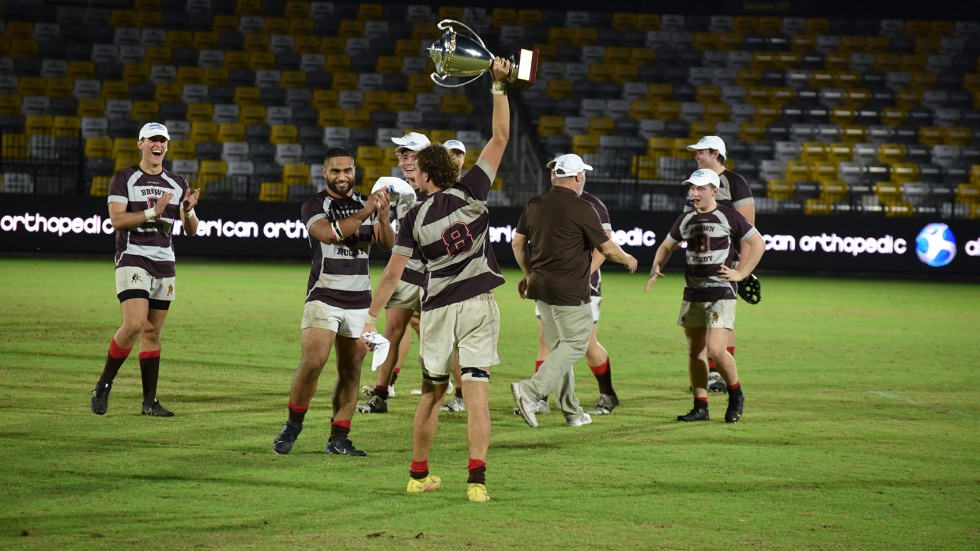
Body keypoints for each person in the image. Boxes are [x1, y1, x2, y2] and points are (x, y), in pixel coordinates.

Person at [362, 57, 513, 503]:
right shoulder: (473, 191)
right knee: (478, 390)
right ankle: (477, 482)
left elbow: (393, 273)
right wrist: (498, 87)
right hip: (478, 304)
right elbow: (500, 137)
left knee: (431, 392)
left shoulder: (412, 218)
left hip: (438, 309)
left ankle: (418, 474)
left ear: (425, 176)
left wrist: (370, 315)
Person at [271, 147, 394, 456]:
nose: (342, 176)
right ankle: (293, 425)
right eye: (336, 171)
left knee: (351, 371)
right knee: (313, 362)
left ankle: (339, 438)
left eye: (348, 170)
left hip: (359, 301)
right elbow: (327, 235)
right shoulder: (314, 204)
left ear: (355, 171)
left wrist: (383, 217)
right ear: (325, 173)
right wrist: (367, 212)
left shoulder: (367, 202)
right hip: (323, 297)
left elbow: (387, 244)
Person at [510, 154, 638, 429]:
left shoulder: (534, 203)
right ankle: (530, 391)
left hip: (541, 287)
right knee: (577, 345)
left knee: (558, 346)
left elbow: (518, 244)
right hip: (570, 289)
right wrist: (628, 259)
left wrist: (528, 273)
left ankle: (572, 411)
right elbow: (606, 247)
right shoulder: (583, 207)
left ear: (556, 175)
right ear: (579, 176)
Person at [90, 121, 200, 417]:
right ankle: (103, 384)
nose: (158, 145)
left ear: (167, 145)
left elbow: (191, 230)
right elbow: (117, 221)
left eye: (162, 140)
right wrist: (153, 211)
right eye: (152, 140)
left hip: (164, 262)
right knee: (135, 324)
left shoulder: (178, 183)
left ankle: (149, 402)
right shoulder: (124, 178)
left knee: (152, 331)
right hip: (133, 257)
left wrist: (187, 211)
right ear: (140, 143)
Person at [644, 169, 764, 424]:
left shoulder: (728, 215)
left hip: (720, 291)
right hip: (693, 291)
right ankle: (701, 406)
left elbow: (758, 243)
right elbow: (667, 244)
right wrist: (657, 267)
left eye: (699, 189)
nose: (694, 193)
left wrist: (742, 274)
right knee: (695, 351)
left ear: (714, 190)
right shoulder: (686, 219)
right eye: (691, 188)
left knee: (716, 350)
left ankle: (736, 394)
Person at [356, 132, 430, 414]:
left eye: (410, 154)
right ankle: (380, 394)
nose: (405, 160)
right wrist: (383, 217)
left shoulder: (438, 189)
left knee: (442, 336)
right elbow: (388, 241)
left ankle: (452, 392)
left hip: (435, 276)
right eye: (402, 155)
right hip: (408, 271)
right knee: (392, 330)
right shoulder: (399, 191)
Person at [685, 136, 756, 393]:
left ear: (716, 153)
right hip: (701, 265)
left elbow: (749, 229)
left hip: (728, 263)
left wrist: (742, 270)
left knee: (723, 320)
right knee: (703, 318)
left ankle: (717, 374)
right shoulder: (696, 182)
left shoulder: (735, 182)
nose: (696, 156)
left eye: (700, 152)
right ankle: (707, 374)